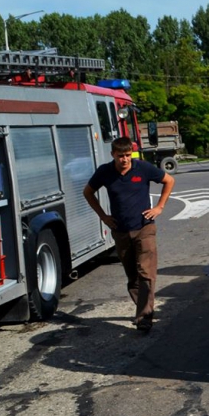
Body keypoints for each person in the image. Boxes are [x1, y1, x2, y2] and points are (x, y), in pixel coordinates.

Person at [83, 137, 175, 332]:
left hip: (144, 227)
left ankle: (144, 317)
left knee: (145, 272)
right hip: (121, 230)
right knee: (132, 276)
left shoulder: (142, 168)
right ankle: (144, 308)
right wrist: (103, 216)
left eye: (127, 155)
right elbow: (88, 192)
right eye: (120, 156)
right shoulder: (105, 172)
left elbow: (169, 180)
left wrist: (159, 207)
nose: (125, 159)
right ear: (113, 155)